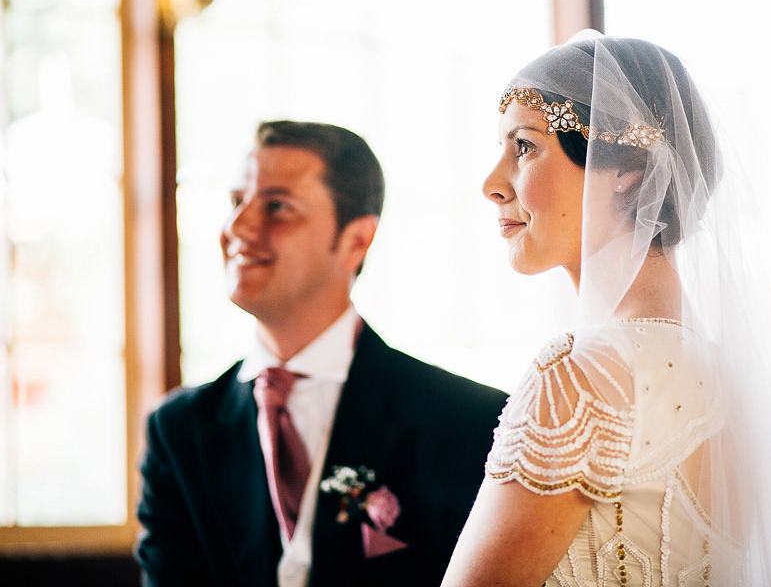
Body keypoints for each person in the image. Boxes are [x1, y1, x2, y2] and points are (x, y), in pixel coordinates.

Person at [442, 33, 771, 586]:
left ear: (627, 168)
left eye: (524, 146)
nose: (492, 184)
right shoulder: (746, 386)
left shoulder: (578, 378)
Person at [136, 121, 508, 587]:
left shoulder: (471, 420)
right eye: (236, 202)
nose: (237, 227)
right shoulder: (179, 431)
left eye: (277, 206)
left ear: (356, 240)